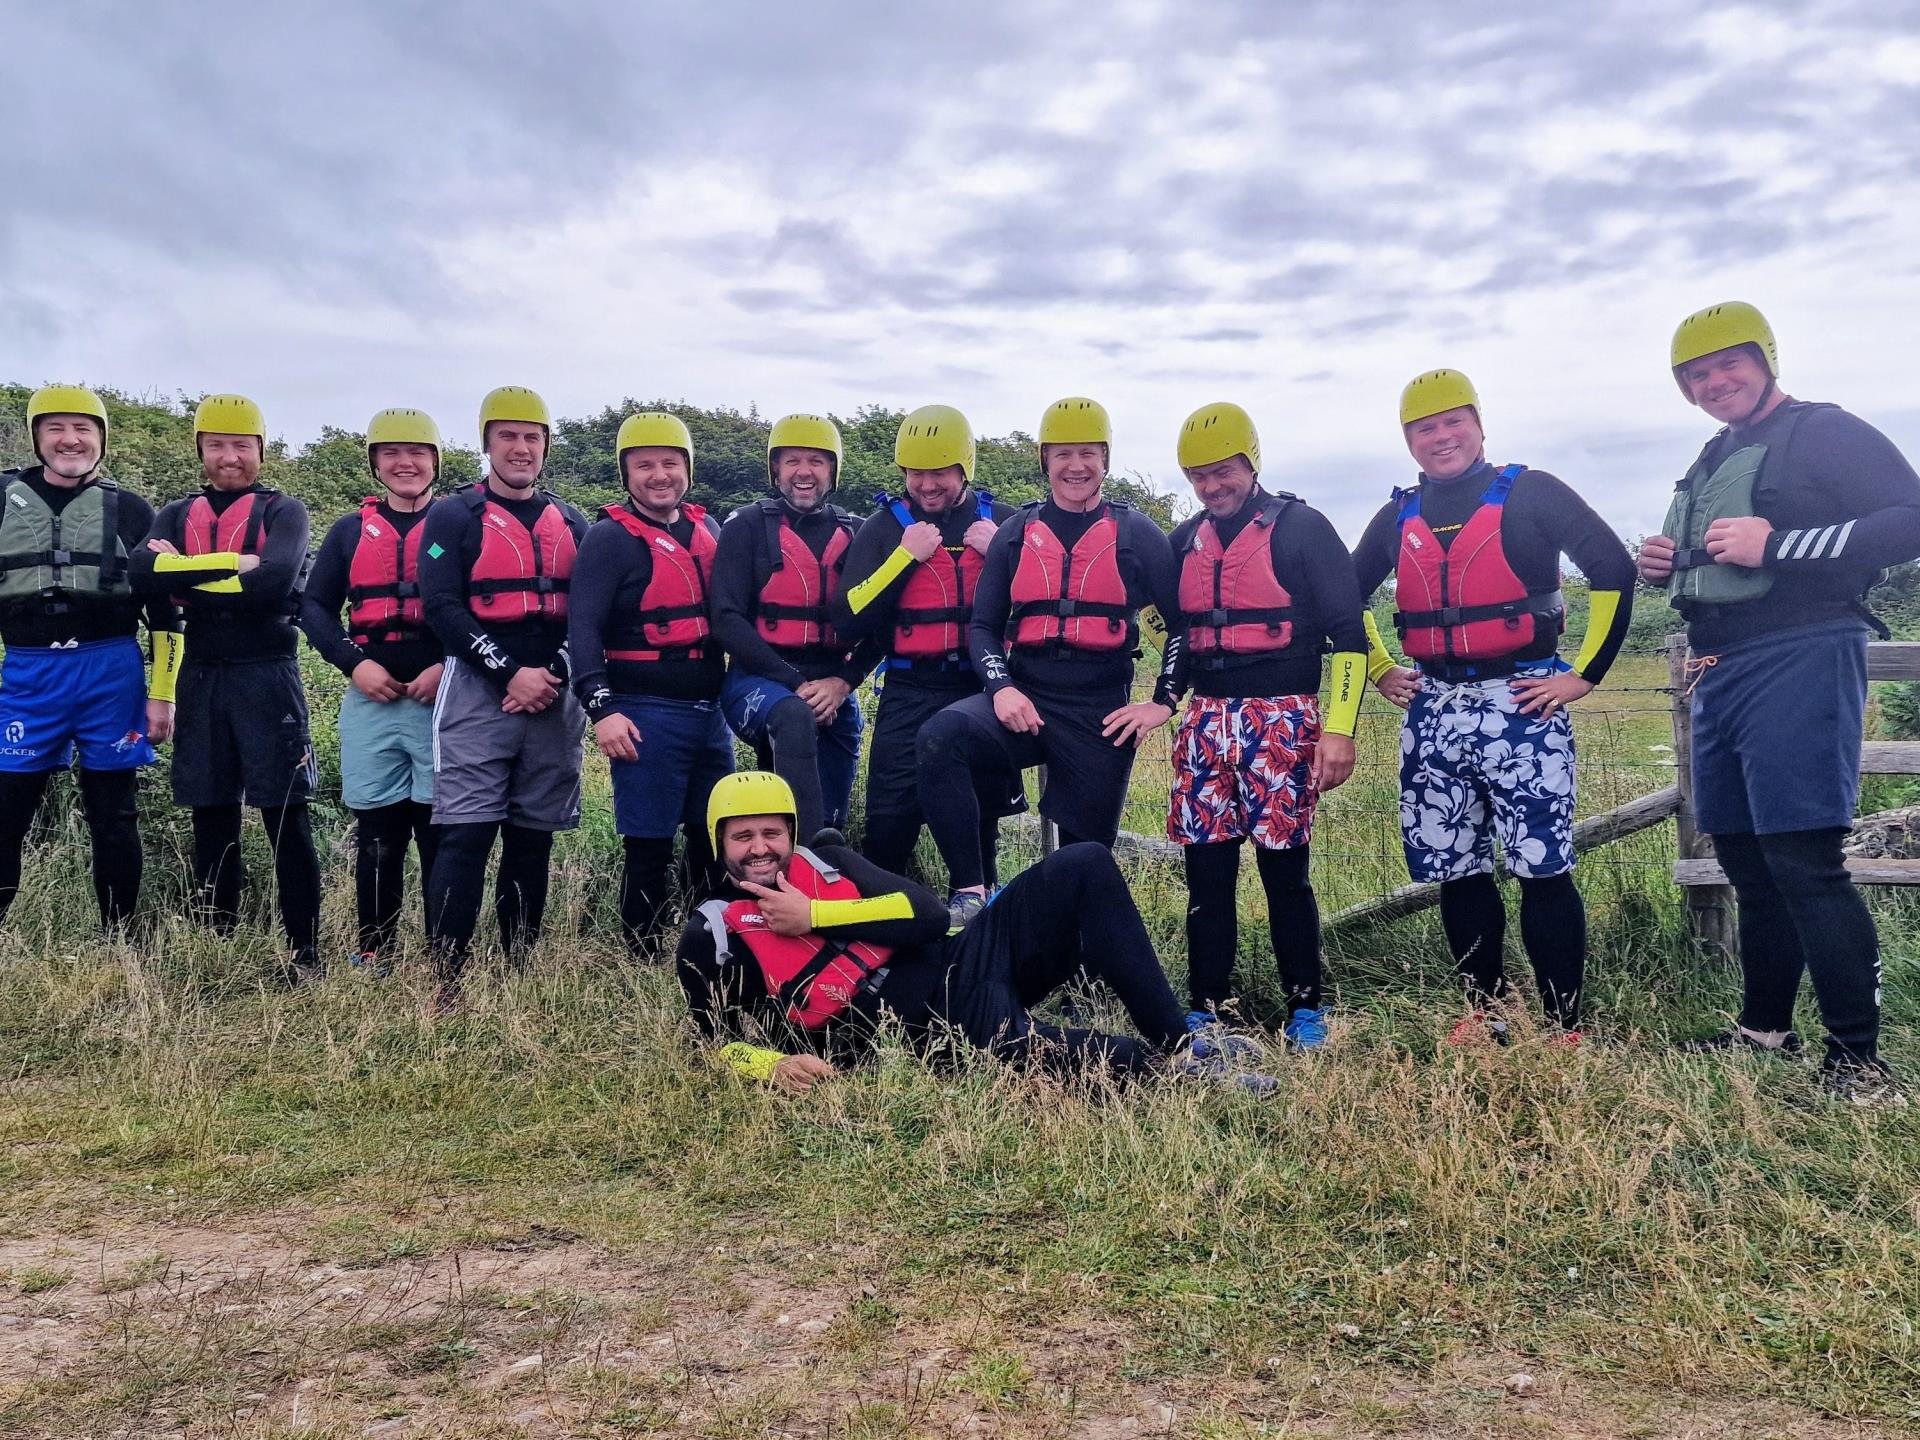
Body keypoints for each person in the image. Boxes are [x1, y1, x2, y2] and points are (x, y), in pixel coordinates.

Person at [1638, 302, 1920, 1102]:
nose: (1713, 382)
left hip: (1802, 652)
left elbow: (1912, 518)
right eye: (1696, 375)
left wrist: (1780, 546)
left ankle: (1860, 1064)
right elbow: (1718, 552)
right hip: (1719, 665)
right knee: (1749, 863)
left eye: (1728, 365)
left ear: (1765, 358)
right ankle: (1765, 1030)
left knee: (1805, 861)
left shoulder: (1824, 430)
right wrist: (1668, 561)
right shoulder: (1716, 450)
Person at [678, 771, 1274, 1093]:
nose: (761, 849)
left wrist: (816, 915)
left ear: (790, 833)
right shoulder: (711, 935)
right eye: (742, 836)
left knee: (1085, 860)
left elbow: (929, 915)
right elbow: (713, 1042)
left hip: (963, 958)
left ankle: (1178, 1039)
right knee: (1042, 1047)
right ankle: (1183, 1080)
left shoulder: (827, 859)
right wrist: (772, 1067)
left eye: (771, 833)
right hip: (924, 1026)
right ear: (719, 843)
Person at [1352, 369, 1634, 1045]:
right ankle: (1484, 1013)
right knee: (1458, 869)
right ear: (1408, 439)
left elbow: (1613, 570)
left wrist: (1583, 675)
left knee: (1542, 865)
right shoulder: (1397, 514)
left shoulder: (1532, 492)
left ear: (1479, 425)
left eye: (1453, 422)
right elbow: (1344, 597)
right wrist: (1381, 667)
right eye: (1424, 428)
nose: (1440, 437)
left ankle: (1565, 1023)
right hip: (1434, 707)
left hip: (1523, 702)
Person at [916, 397, 1181, 928]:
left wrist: (1163, 703)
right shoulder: (1017, 533)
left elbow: (1182, 628)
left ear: (1106, 460)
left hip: (1099, 712)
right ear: (1045, 460)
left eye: (1088, 453)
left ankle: (1078, 960)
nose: (1075, 466)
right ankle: (971, 891)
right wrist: (1002, 690)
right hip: (1027, 699)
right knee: (941, 736)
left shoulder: (1138, 534)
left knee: (1084, 857)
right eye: (1062, 454)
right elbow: (985, 628)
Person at [1162, 403, 1368, 1050]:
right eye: (1198, 476)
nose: (1211, 486)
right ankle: (1205, 1006)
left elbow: (1350, 638)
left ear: (1250, 464)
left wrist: (1337, 729)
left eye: (1222, 471)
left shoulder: (1302, 528)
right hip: (1205, 722)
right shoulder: (1183, 541)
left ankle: (1305, 1006)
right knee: (1207, 873)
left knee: (1286, 873)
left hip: (1283, 718)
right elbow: (1173, 633)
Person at [130, 394, 323, 985]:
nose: (230, 457)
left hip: (268, 674)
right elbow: (140, 574)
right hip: (201, 675)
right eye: (217, 445)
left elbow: (273, 583)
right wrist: (235, 566)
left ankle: (305, 953)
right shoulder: (174, 510)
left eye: (242, 446)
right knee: (210, 811)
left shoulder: (283, 511)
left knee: (285, 814)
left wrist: (184, 572)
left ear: (260, 451)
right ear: (201, 450)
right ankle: (218, 945)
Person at [417, 385, 589, 1008]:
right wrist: (508, 672)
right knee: (466, 833)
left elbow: (591, 612)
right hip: (477, 688)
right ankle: (447, 976)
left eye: (532, 437)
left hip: (555, 692)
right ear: (487, 443)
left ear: (546, 447)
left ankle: (518, 969)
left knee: (531, 836)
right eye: (508, 436)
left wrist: (554, 673)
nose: (520, 448)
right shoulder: (452, 516)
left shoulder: (572, 521)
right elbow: (441, 605)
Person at [0, 385, 181, 933]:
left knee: (114, 816)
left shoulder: (130, 509)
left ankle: (121, 939)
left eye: (83, 429)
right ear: (36, 437)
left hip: (111, 672)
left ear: (101, 439)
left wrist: (163, 695)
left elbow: (165, 616)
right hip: (29, 674)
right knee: (8, 815)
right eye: (55, 428)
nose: (70, 440)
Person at [829, 405, 1023, 880]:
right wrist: (903, 557)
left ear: (964, 468)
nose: (928, 484)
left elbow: (1040, 610)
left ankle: (976, 925)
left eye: (940, 472)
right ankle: (883, 935)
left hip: (980, 694)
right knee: (888, 827)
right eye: (917, 473)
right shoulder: (883, 529)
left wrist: (1000, 552)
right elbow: (847, 618)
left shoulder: (1004, 523)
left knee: (979, 828)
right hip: (908, 692)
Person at [569, 410, 732, 954]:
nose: (659, 475)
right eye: (644, 466)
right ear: (626, 473)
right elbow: (583, 628)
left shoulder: (707, 529)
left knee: (714, 838)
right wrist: (602, 709)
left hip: (711, 710)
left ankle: (707, 943)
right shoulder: (608, 539)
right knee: (650, 841)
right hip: (644, 709)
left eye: (670, 463)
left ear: (687, 468)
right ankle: (639, 952)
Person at [298, 408, 445, 974]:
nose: (404, 463)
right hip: (372, 696)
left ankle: (442, 948)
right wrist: (353, 663)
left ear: (435, 460)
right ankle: (373, 947)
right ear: (375, 462)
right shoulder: (350, 530)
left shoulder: (456, 524)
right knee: (378, 831)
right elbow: (314, 608)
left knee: (439, 827)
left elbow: (472, 609)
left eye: (417, 452)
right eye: (390, 453)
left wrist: (447, 664)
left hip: (442, 697)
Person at [710, 413, 876, 841]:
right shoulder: (745, 526)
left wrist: (844, 683)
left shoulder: (858, 532)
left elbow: (881, 624)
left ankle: (827, 853)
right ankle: (803, 856)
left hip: (832, 682)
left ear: (832, 470)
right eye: (792, 461)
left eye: (816, 461)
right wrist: (795, 682)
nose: (804, 472)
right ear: (775, 470)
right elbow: (726, 619)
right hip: (758, 677)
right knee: (794, 715)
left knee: (834, 782)